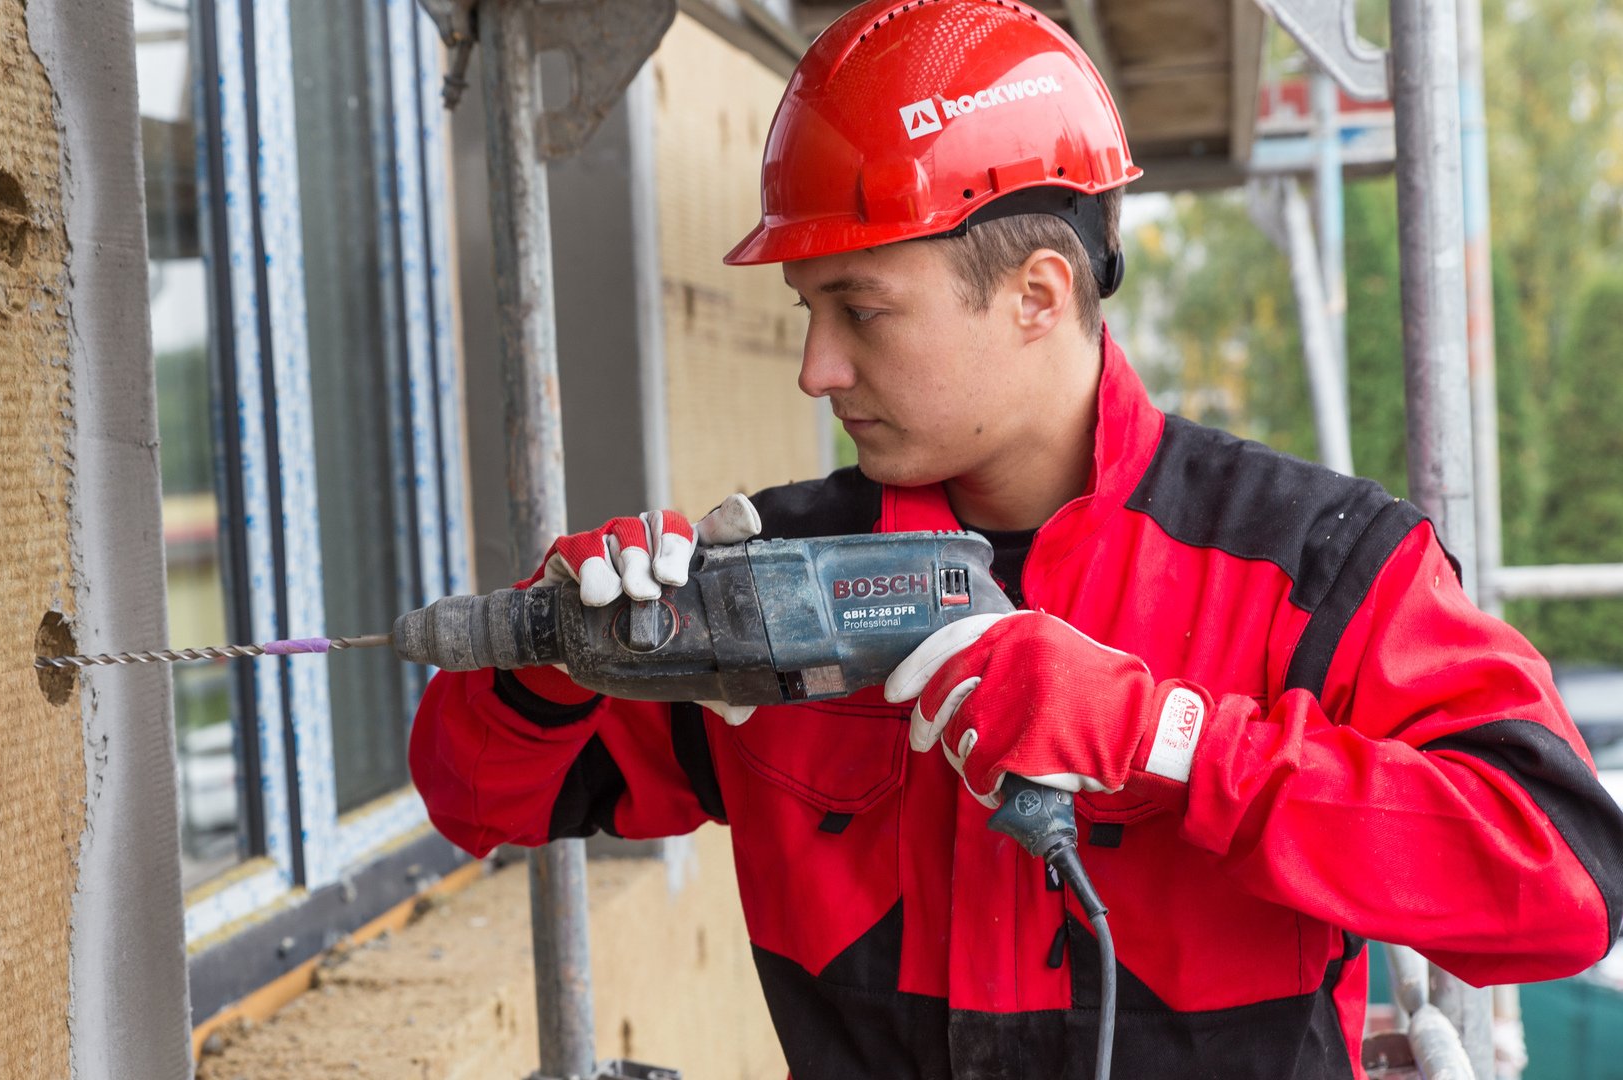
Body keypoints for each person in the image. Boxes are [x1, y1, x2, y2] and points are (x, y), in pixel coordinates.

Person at [409, 1, 1623, 1076]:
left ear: (1038, 295)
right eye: (808, 311)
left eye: (861, 311)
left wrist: (1171, 741)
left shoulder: (1310, 564)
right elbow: (478, 801)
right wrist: (553, 648)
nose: (816, 368)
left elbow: (1565, 883)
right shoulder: (769, 580)